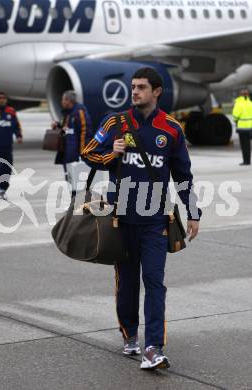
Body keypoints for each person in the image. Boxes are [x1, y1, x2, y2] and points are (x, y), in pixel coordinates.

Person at [82, 67, 201, 370]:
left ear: (157, 91)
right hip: (120, 220)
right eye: (133, 87)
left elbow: (183, 176)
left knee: (154, 280)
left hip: (155, 219)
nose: (134, 92)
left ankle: (153, 347)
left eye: (141, 87)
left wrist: (193, 212)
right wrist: (113, 152)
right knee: (127, 284)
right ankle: (129, 334)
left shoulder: (171, 129)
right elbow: (87, 152)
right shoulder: (115, 122)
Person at [52, 90, 93, 195]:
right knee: (69, 178)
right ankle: (73, 201)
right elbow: (66, 128)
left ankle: (80, 202)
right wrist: (57, 125)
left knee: (79, 180)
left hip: (76, 153)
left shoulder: (79, 112)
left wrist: (83, 151)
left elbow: (85, 131)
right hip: (67, 152)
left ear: (68, 100)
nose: (62, 102)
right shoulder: (66, 113)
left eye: (63, 99)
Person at [232, 88, 252, 165]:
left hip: (242, 128)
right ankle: (249, 160)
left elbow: (235, 116)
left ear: (240, 95)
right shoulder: (250, 103)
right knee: (249, 146)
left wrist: (236, 120)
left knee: (245, 146)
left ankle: (246, 161)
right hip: (250, 127)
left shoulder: (239, 103)